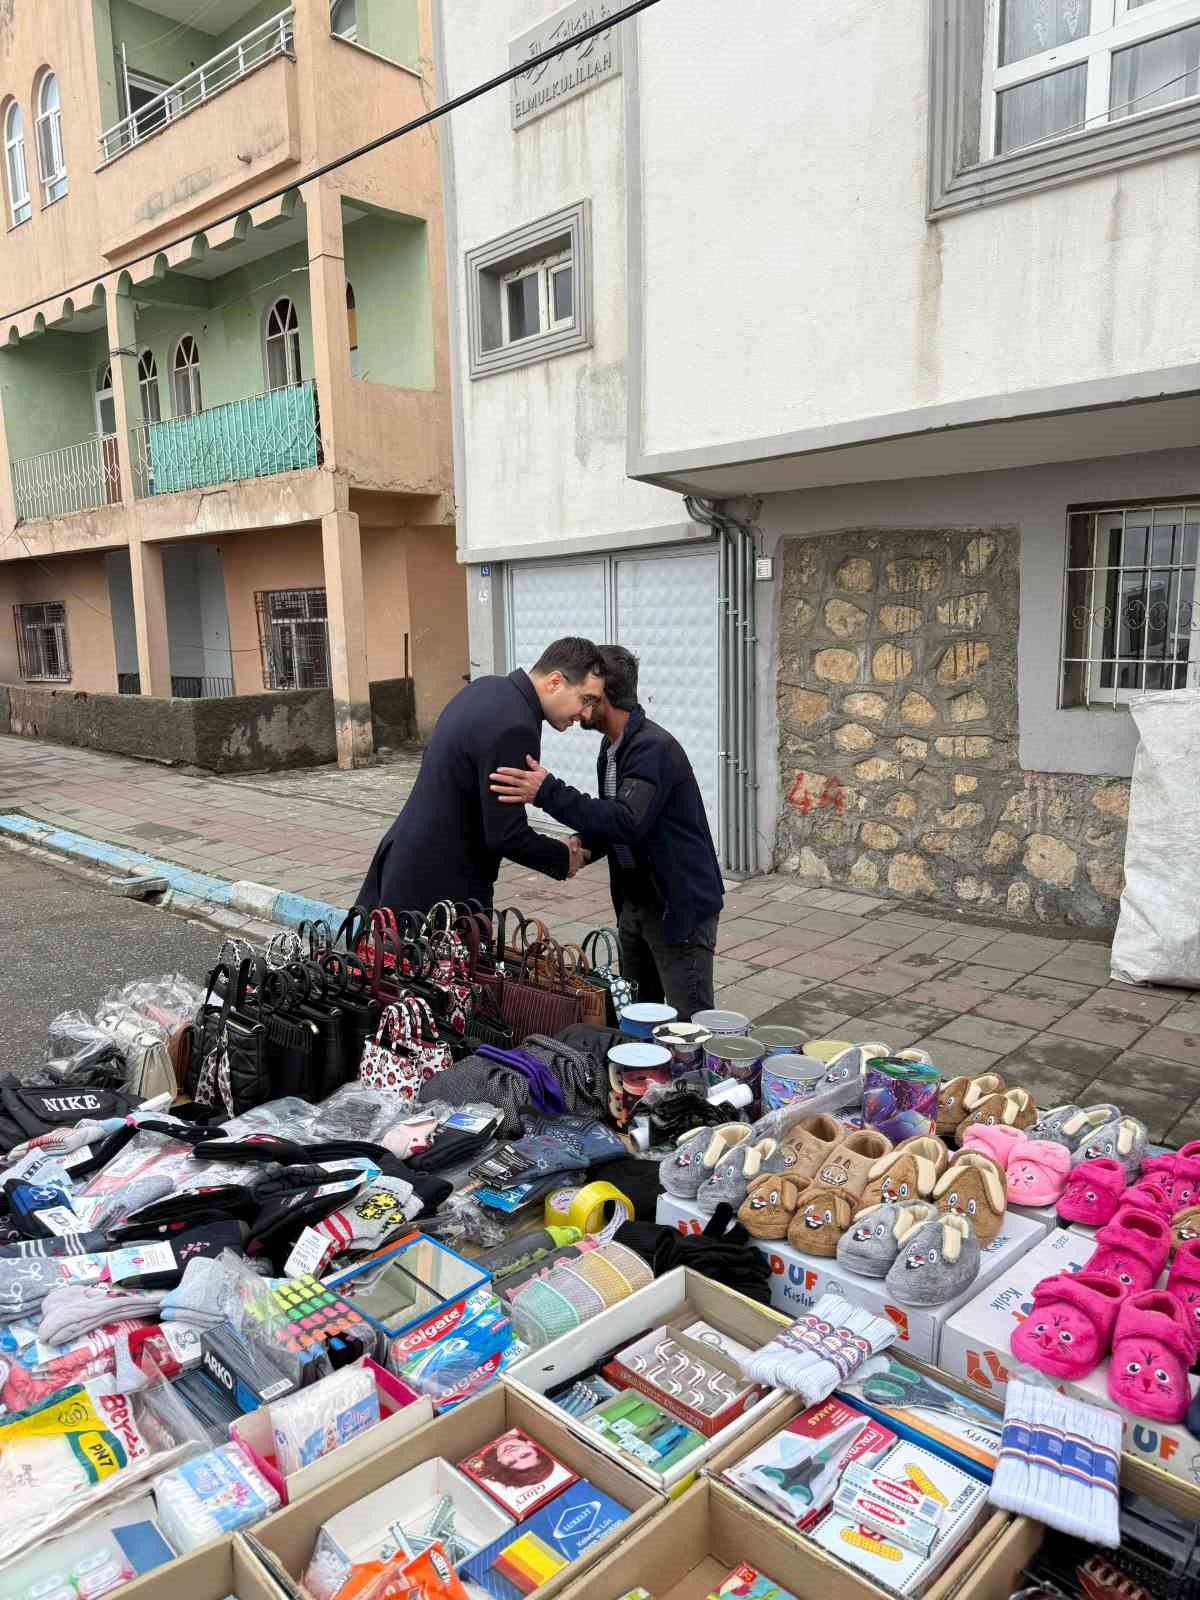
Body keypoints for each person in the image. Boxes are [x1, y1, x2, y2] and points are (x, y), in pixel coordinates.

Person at [489, 644, 723, 1019]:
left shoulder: (652, 749)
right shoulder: (611, 747)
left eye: (587, 697)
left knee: (689, 1021)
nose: (580, 709)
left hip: (677, 907)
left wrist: (548, 791)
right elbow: (614, 821)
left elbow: (628, 820)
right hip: (635, 903)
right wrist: (582, 845)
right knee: (641, 1013)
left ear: (604, 697)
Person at [356, 637, 605, 919]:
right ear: (555, 681)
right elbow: (506, 834)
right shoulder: (515, 726)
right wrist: (563, 858)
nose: (587, 714)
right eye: (586, 699)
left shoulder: (487, 688)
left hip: (406, 863)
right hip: (440, 889)